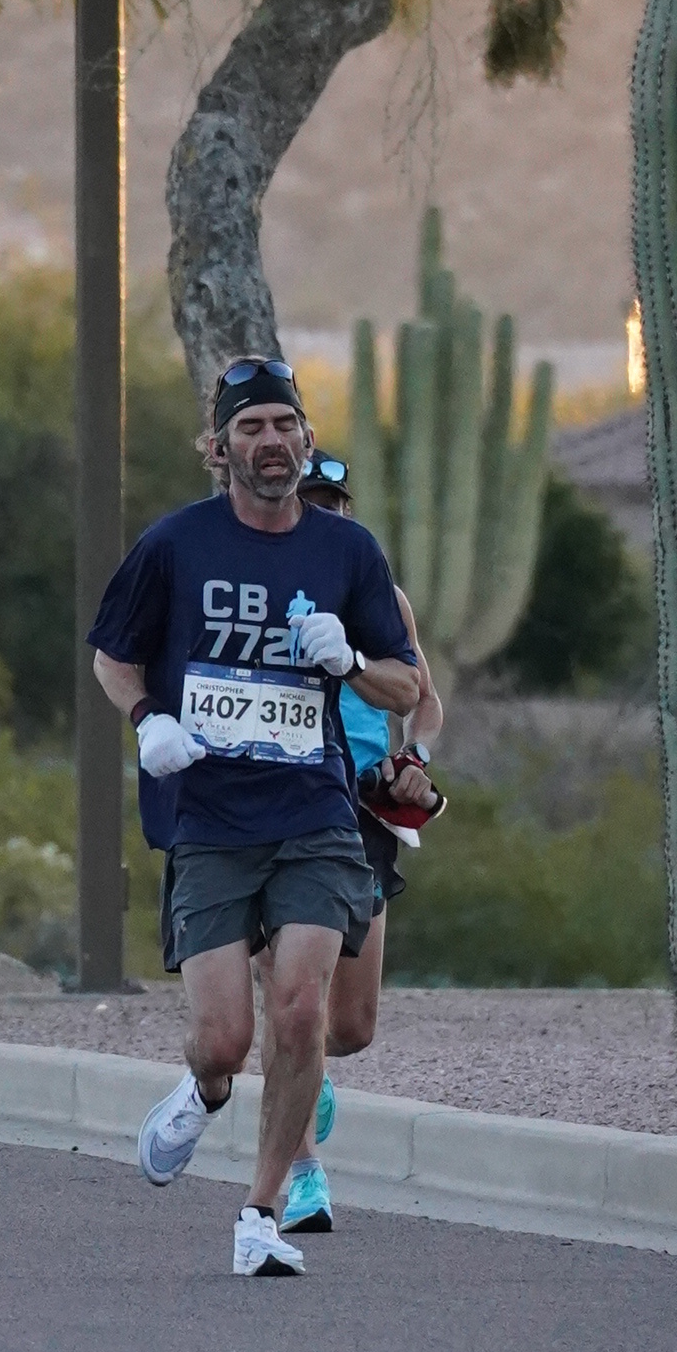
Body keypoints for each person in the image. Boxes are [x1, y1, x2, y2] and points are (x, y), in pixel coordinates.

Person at [89, 357, 421, 1276]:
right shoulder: (175, 545)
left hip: (314, 811)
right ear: (218, 447)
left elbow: (406, 683)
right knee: (224, 1041)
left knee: (303, 1010)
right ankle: (203, 1093)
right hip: (207, 817)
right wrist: (147, 719)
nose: (270, 442)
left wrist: (350, 661)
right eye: (250, 428)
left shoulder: (347, 553)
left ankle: (261, 1212)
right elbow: (112, 656)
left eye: (284, 425)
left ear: (305, 439)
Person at [268, 450, 445, 1236]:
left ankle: (313, 1067)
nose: (329, 516)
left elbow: (424, 702)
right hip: (275, 800)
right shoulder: (260, 591)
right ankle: (302, 1174)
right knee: (290, 1000)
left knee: (351, 1025)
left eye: (338, 504)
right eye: (314, 502)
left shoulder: (382, 598)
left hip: (362, 811)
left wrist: (416, 759)